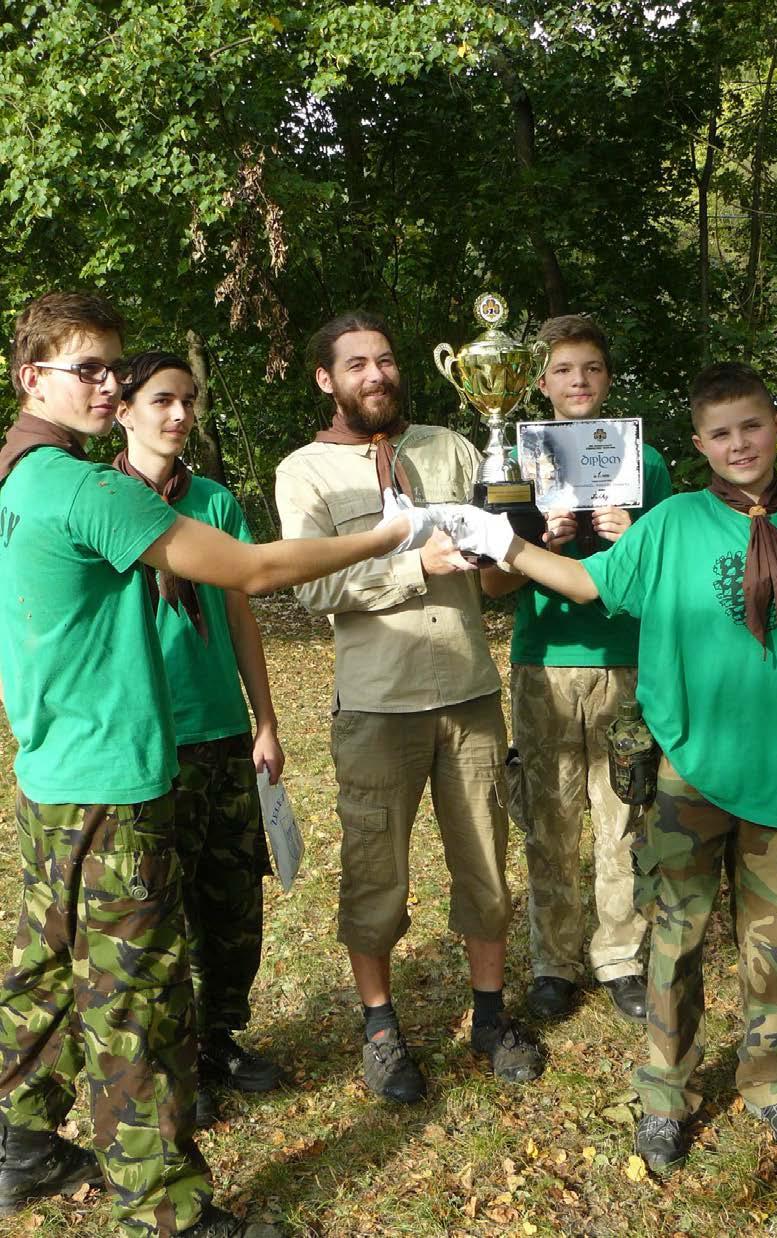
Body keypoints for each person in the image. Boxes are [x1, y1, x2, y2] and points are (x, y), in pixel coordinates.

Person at [0, 292, 425, 1235]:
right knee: (135, 994)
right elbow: (256, 572)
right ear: (33, 378)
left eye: (115, 367)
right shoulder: (86, 488)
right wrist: (393, 532)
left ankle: (22, 1142)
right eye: (88, 370)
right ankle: (165, 1208)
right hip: (112, 778)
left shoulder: (14, 479)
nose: (109, 386)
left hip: (51, 769)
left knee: (46, 962)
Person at [446, 361, 777, 1172]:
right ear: (699, 444)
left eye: (751, 426)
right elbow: (585, 580)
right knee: (675, 944)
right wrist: (504, 543)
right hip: (687, 772)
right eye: (720, 433)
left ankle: (772, 1082)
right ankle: (664, 1092)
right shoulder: (674, 522)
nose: (739, 444)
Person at [274, 310, 543, 1105]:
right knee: (375, 874)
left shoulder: (455, 448)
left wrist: (521, 541)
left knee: (487, 865)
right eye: (356, 364)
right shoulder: (306, 472)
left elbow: (494, 579)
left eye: (384, 361)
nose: (376, 375)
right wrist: (414, 568)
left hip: (469, 692)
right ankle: (382, 1030)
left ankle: (490, 1018)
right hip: (377, 704)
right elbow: (313, 585)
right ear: (326, 379)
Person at [482, 316, 672, 1023]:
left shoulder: (647, 465)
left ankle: (621, 956)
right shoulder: (516, 463)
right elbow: (492, 588)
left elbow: (670, 576)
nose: (578, 381)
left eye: (591, 368)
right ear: (541, 383)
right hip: (545, 663)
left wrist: (635, 541)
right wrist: (539, 537)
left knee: (623, 815)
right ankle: (555, 964)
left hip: (626, 661)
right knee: (550, 818)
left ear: (608, 379)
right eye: (564, 370)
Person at [115, 352, 287, 1130]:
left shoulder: (215, 503)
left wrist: (266, 719)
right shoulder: (100, 502)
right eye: (162, 400)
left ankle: (219, 1038)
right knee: (160, 909)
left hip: (221, 733)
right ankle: (176, 1058)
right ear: (122, 409)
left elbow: (243, 614)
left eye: (187, 401)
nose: (179, 415)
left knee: (231, 900)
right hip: (144, 741)